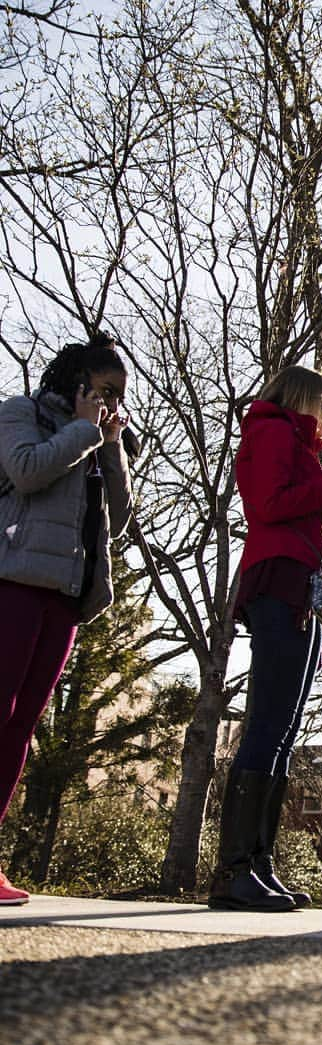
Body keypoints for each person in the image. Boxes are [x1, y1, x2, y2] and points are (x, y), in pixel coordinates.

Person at [208, 366, 322, 912]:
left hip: (301, 582)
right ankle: (234, 869)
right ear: (308, 399)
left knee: (283, 726)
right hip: (280, 580)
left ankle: (257, 862)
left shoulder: (294, 440)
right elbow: (267, 506)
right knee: (268, 722)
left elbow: (304, 515)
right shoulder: (273, 431)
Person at [0, 333, 134, 906]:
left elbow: (118, 521)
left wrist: (111, 447)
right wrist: (82, 431)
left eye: (119, 397)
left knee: (20, 729)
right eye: (103, 391)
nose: (110, 404)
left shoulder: (94, 442)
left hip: (65, 597)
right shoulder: (20, 412)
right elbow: (26, 471)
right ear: (76, 384)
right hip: (11, 582)